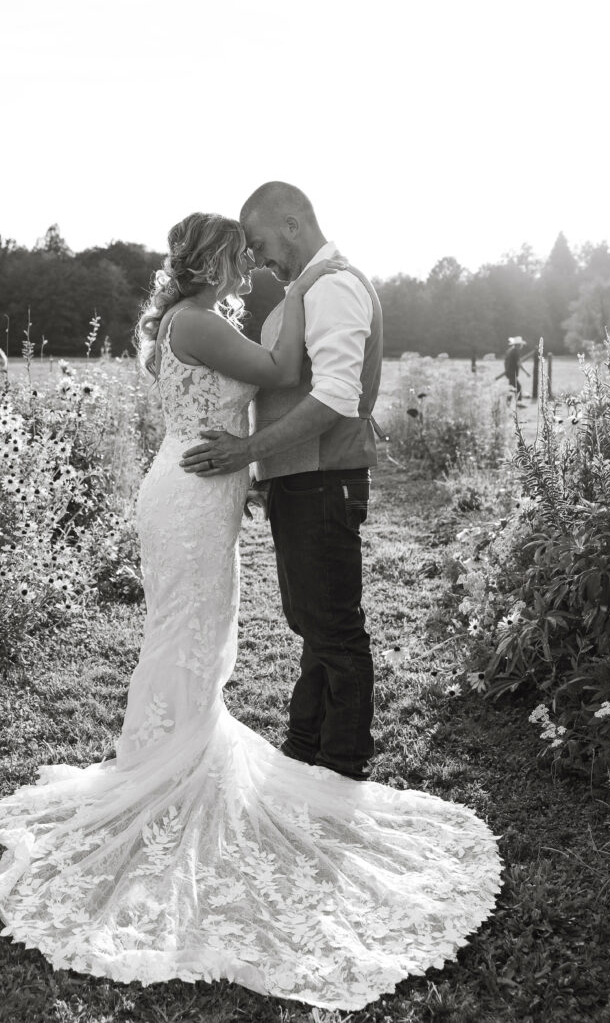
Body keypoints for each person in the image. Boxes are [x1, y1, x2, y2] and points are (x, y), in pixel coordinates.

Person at [0, 211, 501, 1010]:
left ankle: (174, 749)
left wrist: (299, 290)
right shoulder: (200, 324)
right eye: (241, 254)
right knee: (187, 631)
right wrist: (301, 290)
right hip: (190, 499)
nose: (251, 263)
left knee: (198, 632)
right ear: (215, 260)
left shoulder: (188, 321)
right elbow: (281, 364)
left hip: (197, 493)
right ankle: (167, 768)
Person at [181, 182, 379, 781]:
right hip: (302, 480)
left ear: (292, 224)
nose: (260, 260)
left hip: (324, 480)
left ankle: (341, 767)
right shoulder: (307, 290)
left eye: (264, 244)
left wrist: (245, 451)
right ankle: (304, 750)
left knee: (334, 630)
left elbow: (337, 398)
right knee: (311, 621)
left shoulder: (335, 286)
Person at [503, 336, 526, 400]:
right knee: (518, 388)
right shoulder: (515, 352)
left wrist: (506, 370)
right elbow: (518, 363)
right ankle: (518, 403)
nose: (521, 346)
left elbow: (505, 362)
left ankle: (508, 403)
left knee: (511, 388)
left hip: (508, 372)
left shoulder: (509, 351)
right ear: (518, 345)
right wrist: (526, 372)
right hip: (512, 373)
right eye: (520, 344)